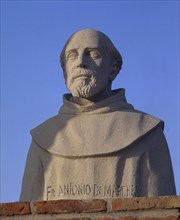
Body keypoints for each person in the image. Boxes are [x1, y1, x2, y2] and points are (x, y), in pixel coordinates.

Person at [20, 29, 176, 201]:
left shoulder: (147, 131)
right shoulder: (44, 138)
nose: (81, 62)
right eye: (72, 55)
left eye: (92, 53)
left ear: (113, 68)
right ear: (65, 72)